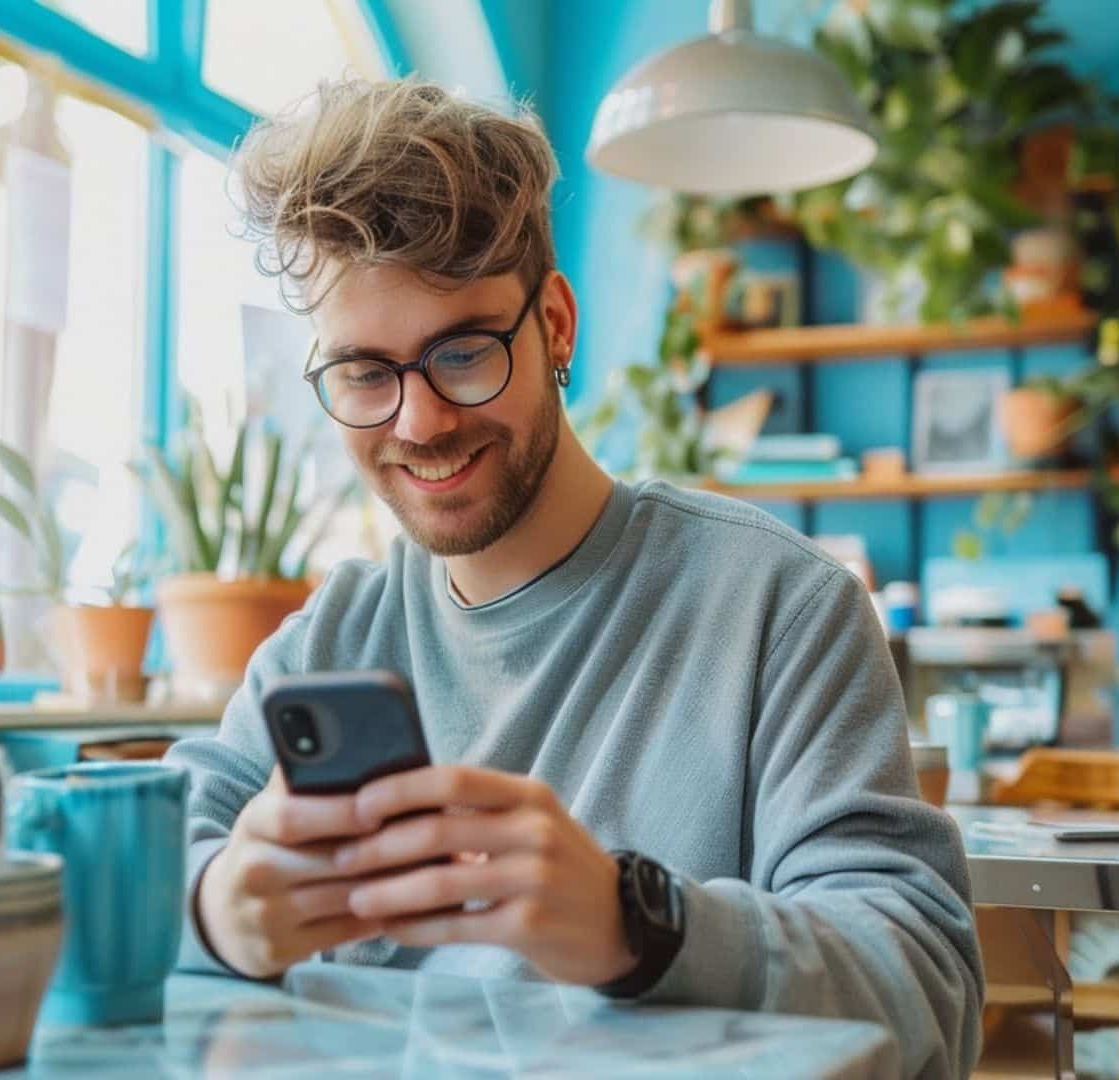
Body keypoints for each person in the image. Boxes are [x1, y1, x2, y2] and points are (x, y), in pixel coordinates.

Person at [163, 77, 984, 1078]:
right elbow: (150, 861)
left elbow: (927, 990)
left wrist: (640, 925)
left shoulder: (781, 607)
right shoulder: (331, 637)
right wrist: (218, 907)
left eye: (463, 353)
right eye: (368, 374)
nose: (419, 422)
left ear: (554, 325)